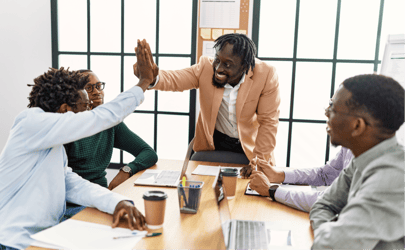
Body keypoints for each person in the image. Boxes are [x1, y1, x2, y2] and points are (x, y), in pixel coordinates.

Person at [0, 40, 154, 249]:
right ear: (65, 110)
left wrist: (117, 202)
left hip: (47, 237)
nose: (87, 112)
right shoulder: (30, 123)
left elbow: (71, 183)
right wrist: (144, 81)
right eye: (83, 108)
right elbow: (99, 118)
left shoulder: (53, 146)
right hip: (15, 242)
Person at [134, 34, 280, 175]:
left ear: (244, 66)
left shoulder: (266, 74)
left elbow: (268, 123)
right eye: (217, 60)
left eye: (227, 64)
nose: (218, 69)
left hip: (249, 149)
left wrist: (258, 161)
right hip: (214, 145)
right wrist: (152, 78)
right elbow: (176, 79)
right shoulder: (206, 67)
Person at [308, 74, 404, 249]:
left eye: (334, 110)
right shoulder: (362, 159)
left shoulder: (394, 178)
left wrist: (331, 237)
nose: (326, 113)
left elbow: (331, 246)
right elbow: (322, 205)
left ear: (357, 126)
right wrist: (330, 233)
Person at [64, 69, 158, 190]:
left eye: (99, 86)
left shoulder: (109, 123)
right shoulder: (67, 127)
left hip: (102, 193)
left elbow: (149, 153)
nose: (97, 92)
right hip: (73, 198)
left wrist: (127, 170)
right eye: (89, 88)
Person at [249, 147, 353, 212]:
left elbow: (326, 200)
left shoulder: (364, 159)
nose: (328, 124)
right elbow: (325, 174)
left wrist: (272, 190)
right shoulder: (350, 142)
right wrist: (279, 175)